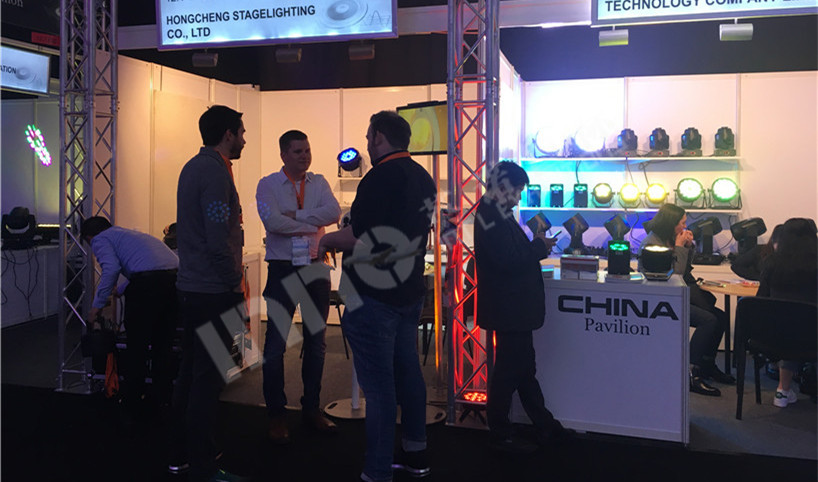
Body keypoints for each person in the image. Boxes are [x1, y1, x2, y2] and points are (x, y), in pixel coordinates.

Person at [318, 110, 436, 482]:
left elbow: (360, 237)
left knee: (380, 387)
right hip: (408, 291)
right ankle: (416, 453)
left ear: (379, 137)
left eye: (369, 137)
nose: (367, 144)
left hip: (372, 296)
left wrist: (326, 240)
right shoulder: (422, 177)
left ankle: (378, 469)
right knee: (409, 374)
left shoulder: (378, 178)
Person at [170, 105, 249, 482]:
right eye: (241, 132)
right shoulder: (215, 174)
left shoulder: (193, 167)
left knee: (190, 375)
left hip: (193, 288)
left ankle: (181, 454)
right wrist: (234, 280)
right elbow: (218, 238)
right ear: (228, 134)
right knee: (208, 380)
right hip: (213, 291)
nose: (244, 139)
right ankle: (203, 465)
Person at [473, 161, 566, 453]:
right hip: (509, 308)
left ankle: (544, 425)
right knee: (510, 372)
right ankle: (502, 432)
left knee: (523, 369)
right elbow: (508, 260)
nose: (519, 197)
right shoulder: (491, 215)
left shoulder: (496, 212)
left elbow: (511, 256)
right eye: (517, 191)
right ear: (503, 187)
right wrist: (538, 247)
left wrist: (535, 246)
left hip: (512, 308)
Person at [255, 130, 341, 443]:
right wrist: (312, 223)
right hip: (283, 269)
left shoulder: (319, 182)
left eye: (307, 150)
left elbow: (333, 213)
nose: (305, 156)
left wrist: (297, 215)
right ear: (283, 155)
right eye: (297, 151)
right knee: (275, 345)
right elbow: (272, 223)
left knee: (316, 343)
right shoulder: (268, 184)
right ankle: (276, 414)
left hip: (316, 267)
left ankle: (311, 409)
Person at [81, 216, 178, 419]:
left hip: (146, 289)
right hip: (173, 283)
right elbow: (146, 266)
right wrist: (122, 288)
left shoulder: (100, 239)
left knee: (137, 347)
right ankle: (163, 401)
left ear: (90, 237)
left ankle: (132, 405)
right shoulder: (129, 235)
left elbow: (111, 269)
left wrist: (96, 307)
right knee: (163, 346)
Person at [639, 204, 735, 397]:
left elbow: (686, 267)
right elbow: (674, 274)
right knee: (709, 320)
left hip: (678, 294)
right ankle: (691, 372)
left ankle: (707, 364)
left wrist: (689, 246)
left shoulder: (670, 238)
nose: (684, 227)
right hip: (663, 299)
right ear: (670, 223)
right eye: (681, 223)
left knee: (720, 317)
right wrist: (680, 247)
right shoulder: (652, 243)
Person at [756, 217, 818, 408]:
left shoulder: (771, 263)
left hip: (777, 337)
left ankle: (782, 391)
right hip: (813, 335)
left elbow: (761, 300)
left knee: (791, 327)